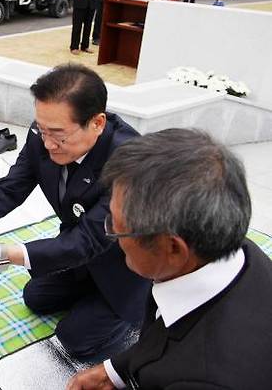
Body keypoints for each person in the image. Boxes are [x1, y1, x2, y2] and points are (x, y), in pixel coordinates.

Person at [0, 64, 150, 358]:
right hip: (77, 254)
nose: (48, 143)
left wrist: (0, 253)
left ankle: (137, 322)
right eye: (42, 129)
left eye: (58, 135)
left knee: (74, 340)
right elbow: (11, 187)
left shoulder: (130, 162)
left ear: (98, 123)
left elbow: (87, 241)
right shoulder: (43, 133)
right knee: (34, 296)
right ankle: (87, 295)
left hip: (122, 268)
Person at [66, 128, 272, 390]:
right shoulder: (229, 247)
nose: (111, 235)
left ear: (173, 248)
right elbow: (164, 337)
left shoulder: (207, 379)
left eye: (117, 227)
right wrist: (113, 371)